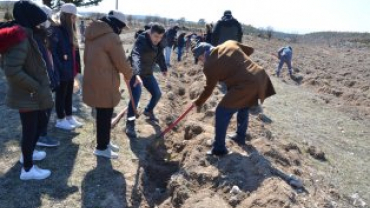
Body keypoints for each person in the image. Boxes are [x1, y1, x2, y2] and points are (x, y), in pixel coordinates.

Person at [191, 41, 276, 156]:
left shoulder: (209, 66)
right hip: (259, 76)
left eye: (200, 59)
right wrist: (237, 64)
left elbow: (208, 89)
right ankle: (240, 136)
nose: (201, 62)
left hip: (246, 83)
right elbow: (249, 50)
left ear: (202, 55)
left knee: (221, 111)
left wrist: (198, 102)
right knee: (244, 106)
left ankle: (219, 149)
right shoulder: (229, 43)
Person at [1, 0, 54, 180]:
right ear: (30, 19)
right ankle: (28, 169)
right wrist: (35, 86)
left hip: (31, 92)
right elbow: (11, 70)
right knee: (31, 129)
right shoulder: (21, 38)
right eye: (38, 21)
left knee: (39, 123)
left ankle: (27, 154)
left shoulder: (26, 34)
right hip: (27, 93)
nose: (41, 25)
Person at [83, 10, 133, 159]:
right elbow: (121, 62)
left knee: (103, 114)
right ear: (117, 24)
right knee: (105, 114)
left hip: (93, 77)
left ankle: (105, 142)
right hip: (106, 80)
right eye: (122, 27)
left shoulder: (91, 33)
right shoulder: (111, 37)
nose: (121, 30)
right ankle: (101, 147)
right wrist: (130, 74)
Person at [125, 23, 167, 138]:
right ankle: (130, 123)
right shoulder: (141, 40)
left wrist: (163, 68)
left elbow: (160, 56)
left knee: (157, 93)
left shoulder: (159, 43)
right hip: (136, 73)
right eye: (155, 37)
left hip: (148, 73)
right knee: (135, 97)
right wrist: (137, 74)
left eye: (160, 37)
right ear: (150, 33)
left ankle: (148, 110)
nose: (157, 40)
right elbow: (136, 56)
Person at [50, 3, 83, 131]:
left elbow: (74, 52)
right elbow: (53, 52)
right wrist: (61, 68)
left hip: (70, 69)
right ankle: (60, 119)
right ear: (67, 16)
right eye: (73, 17)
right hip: (63, 70)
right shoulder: (57, 31)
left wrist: (76, 69)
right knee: (61, 95)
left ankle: (69, 117)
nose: (75, 19)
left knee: (69, 94)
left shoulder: (71, 31)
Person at [33, 5, 60, 147]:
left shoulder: (43, 35)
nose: (50, 22)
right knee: (41, 109)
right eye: (48, 19)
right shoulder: (34, 37)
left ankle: (41, 134)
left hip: (47, 79)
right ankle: (40, 136)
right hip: (40, 83)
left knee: (47, 107)